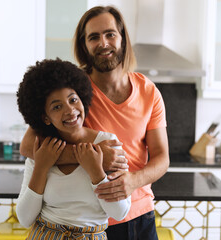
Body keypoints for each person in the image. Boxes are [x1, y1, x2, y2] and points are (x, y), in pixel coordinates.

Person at [20, 5, 169, 240]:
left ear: (122, 38)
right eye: (94, 37)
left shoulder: (149, 91)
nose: (104, 43)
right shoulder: (72, 93)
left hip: (138, 215)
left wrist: (132, 181)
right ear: (84, 45)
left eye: (110, 34)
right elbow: (28, 147)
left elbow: (162, 158)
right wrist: (96, 156)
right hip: (88, 220)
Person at [16, 58, 131, 239]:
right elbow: (24, 218)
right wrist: (41, 167)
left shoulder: (109, 143)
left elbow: (120, 212)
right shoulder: (41, 148)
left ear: (82, 98)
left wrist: (96, 172)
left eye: (73, 99)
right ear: (46, 118)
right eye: (57, 106)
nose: (70, 110)